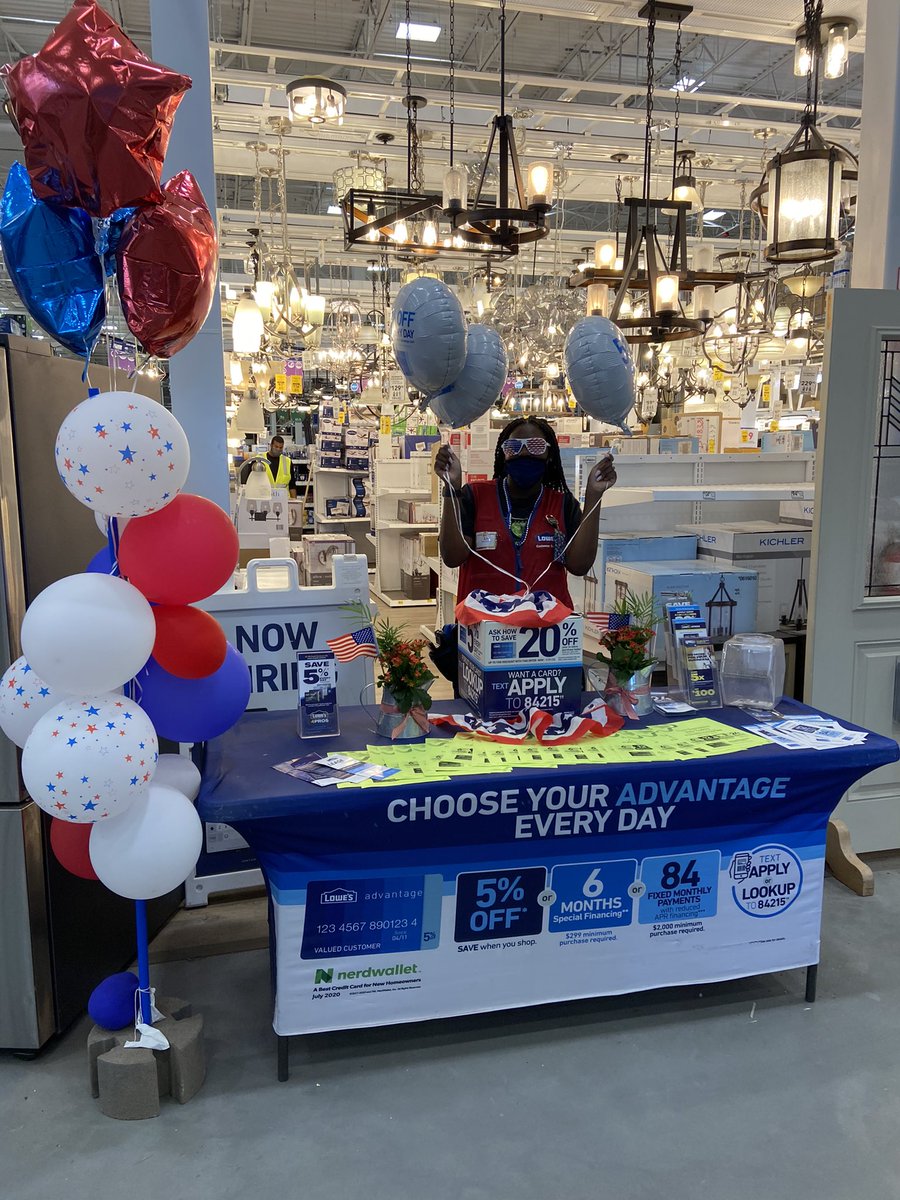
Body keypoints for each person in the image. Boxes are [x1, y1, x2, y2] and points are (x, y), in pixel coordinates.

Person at [435, 417, 617, 606]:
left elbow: (579, 566)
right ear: (503, 454)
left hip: (546, 621)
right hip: (484, 619)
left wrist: (594, 494)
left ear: (549, 454)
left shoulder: (562, 504)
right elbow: (452, 557)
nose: (523, 452)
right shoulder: (475, 496)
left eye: (536, 446)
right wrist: (451, 488)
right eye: (513, 446)